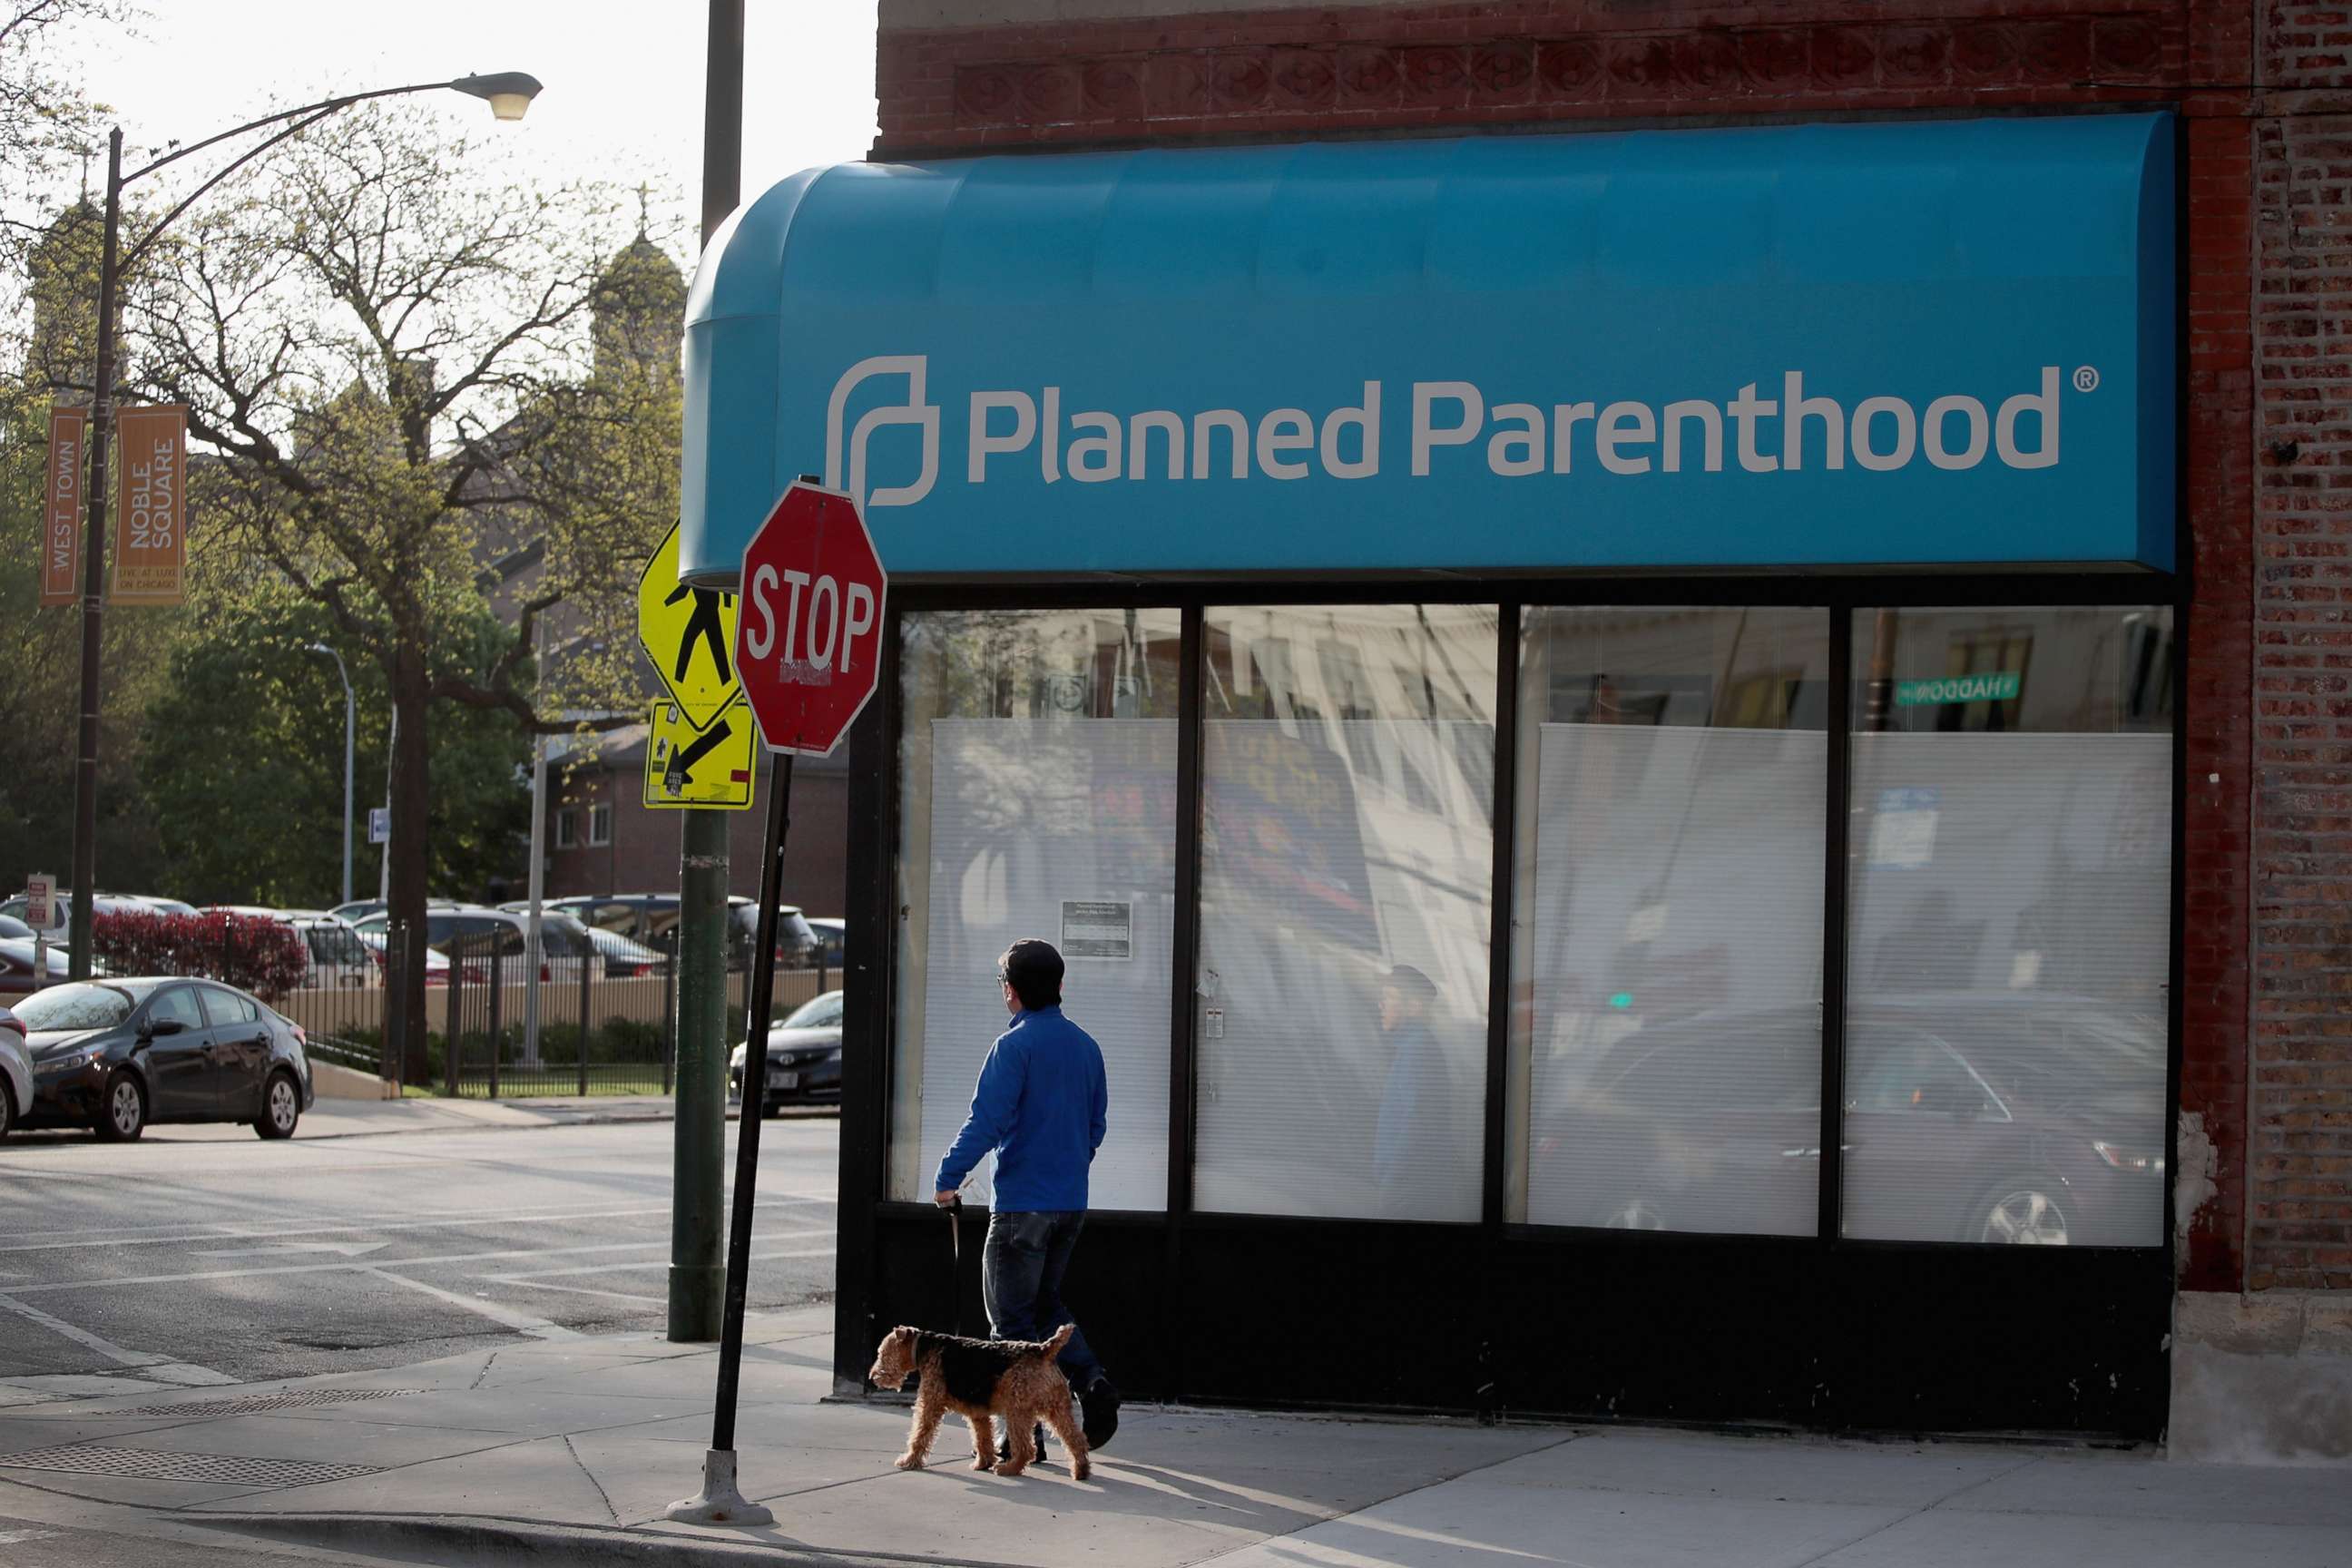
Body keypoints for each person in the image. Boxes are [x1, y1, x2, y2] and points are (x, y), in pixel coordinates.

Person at [935, 938, 1122, 1453]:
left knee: (1009, 1325)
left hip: (1021, 1206)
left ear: (1010, 992)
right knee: (1045, 1306)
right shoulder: (1086, 1047)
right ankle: (1092, 1382)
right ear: (1060, 987)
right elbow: (1096, 1124)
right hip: (1069, 1203)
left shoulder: (1013, 1047)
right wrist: (1068, 1168)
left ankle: (1020, 1439)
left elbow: (986, 1122)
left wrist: (948, 1177)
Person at [1372, 964, 1446, 1214]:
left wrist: (1393, 1182)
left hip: (1406, 1187)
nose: (1381, 1005)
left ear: (1414, 1007)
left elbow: (1417, 1122)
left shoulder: (1418, 1050)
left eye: (1390, 998)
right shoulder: (1411, 1047)